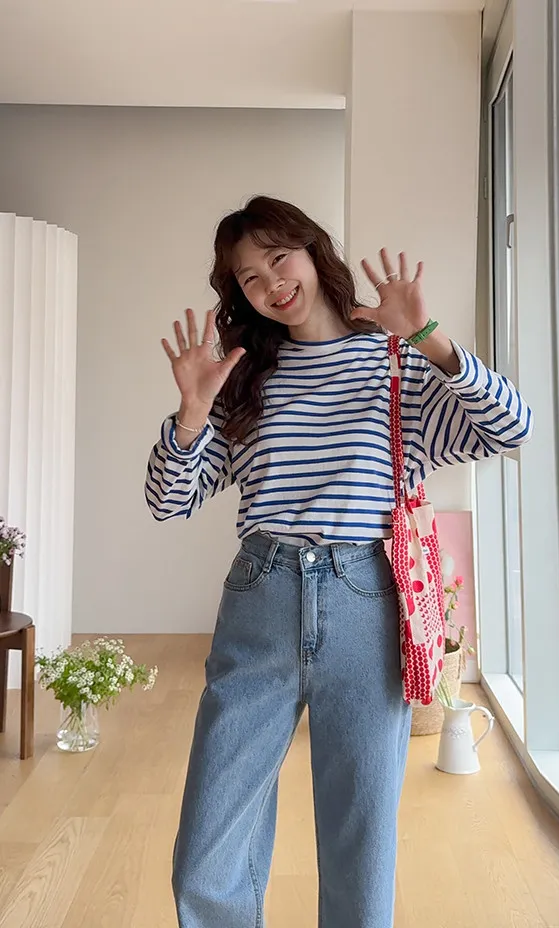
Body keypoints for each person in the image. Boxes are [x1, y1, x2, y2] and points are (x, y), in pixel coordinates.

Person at [145, 195, 533, 928]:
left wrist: (430, 337)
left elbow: (512, 428)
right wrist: (192, 414)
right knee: (207, 850)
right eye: (249, 278)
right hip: (260, 596)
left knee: (361, 845)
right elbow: (168, 501)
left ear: (312, 251)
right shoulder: (244, 379)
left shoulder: (395, 363)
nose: (270, 284)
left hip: (365, 602)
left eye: (278, 259)